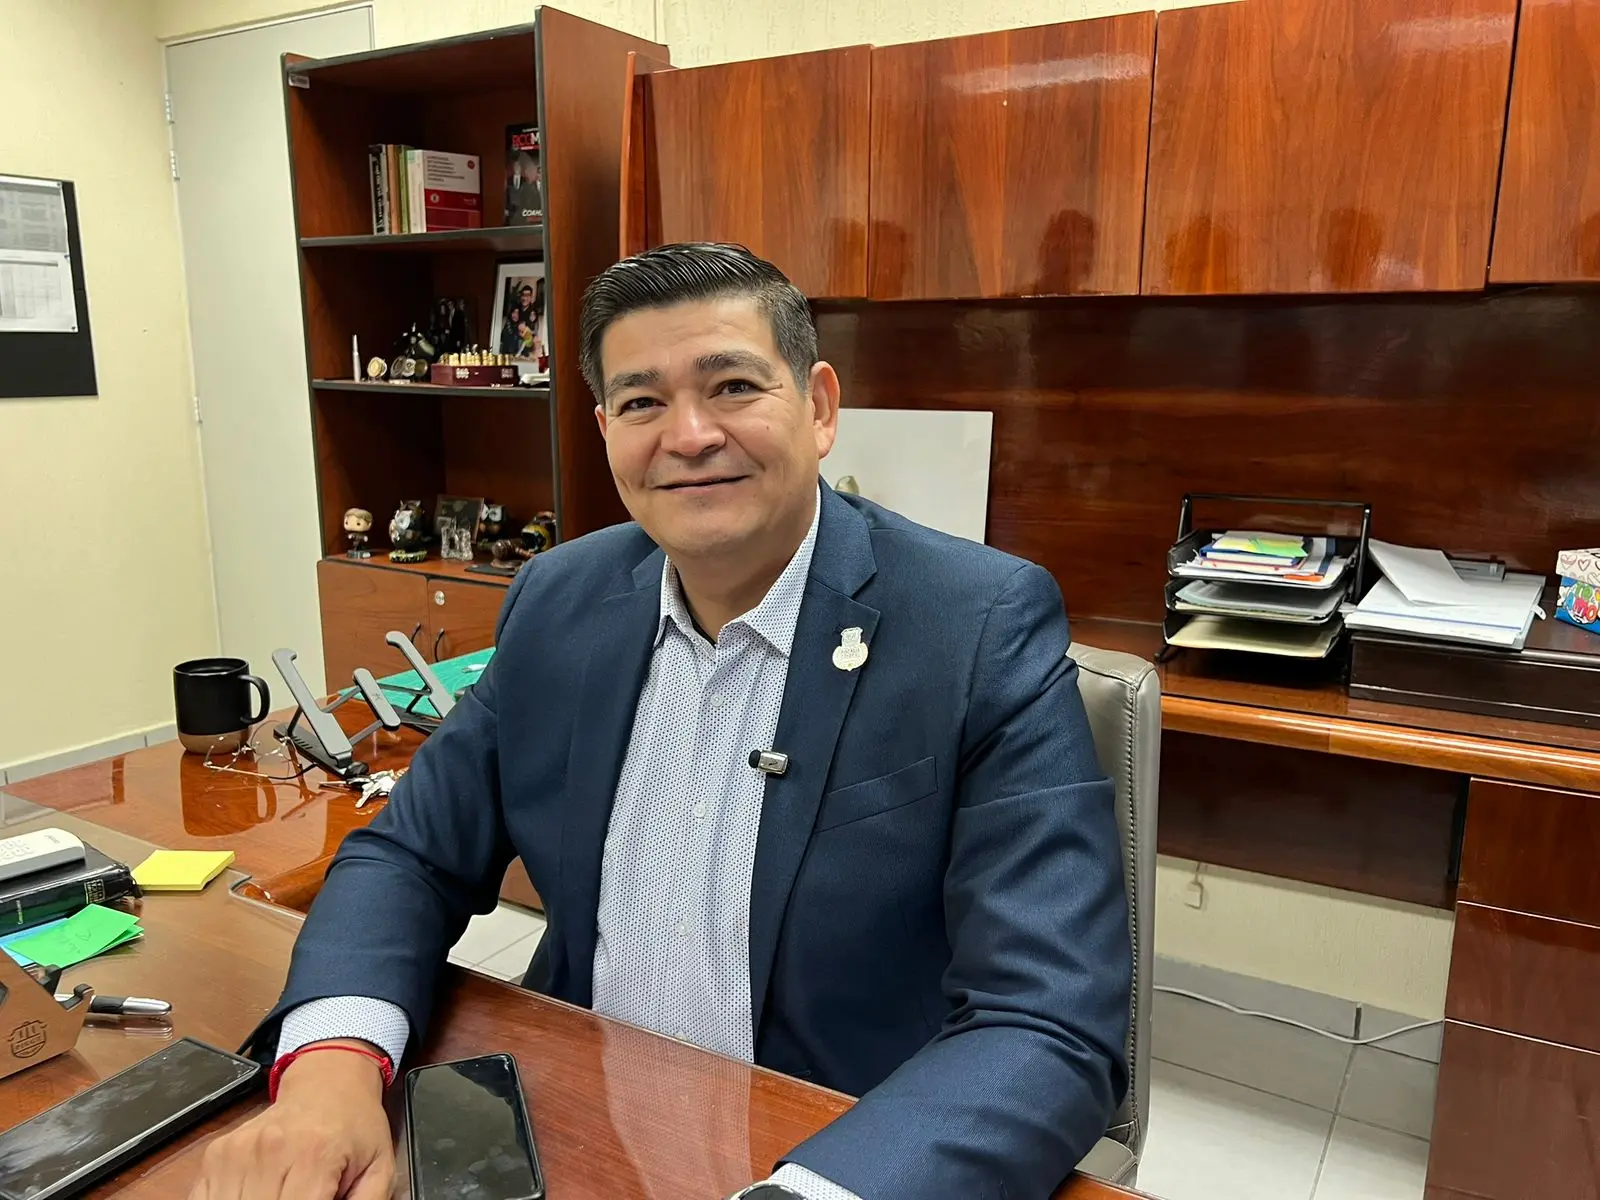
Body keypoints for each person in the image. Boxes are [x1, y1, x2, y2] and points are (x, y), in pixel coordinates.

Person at [189, 243, 1131, 1200]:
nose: (689, 435)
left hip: (841, 1144)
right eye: (642, 402)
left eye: (733, 387)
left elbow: (1047, 1020)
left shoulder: (975, 624)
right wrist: (331, 1070)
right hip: (577, 1124)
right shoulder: (559, 600)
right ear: (606, 431)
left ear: (819, 408)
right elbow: (411, 857)